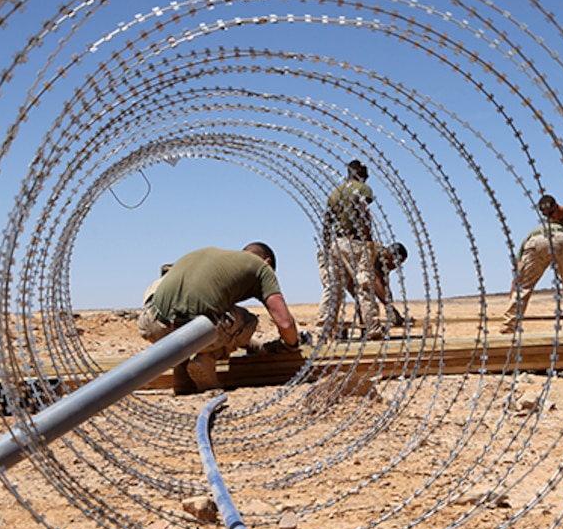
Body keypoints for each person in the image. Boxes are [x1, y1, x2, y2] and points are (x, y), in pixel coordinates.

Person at [137, 242, 298, 394]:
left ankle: (182, 370)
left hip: (152, 325)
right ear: (267, 261)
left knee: (203, 309)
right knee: (247, 321)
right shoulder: (261, 267)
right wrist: (292, 345)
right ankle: (207, 359)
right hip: (197, 333)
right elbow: (285, 323)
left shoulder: (211, 256)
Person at [316, 159, 383, 341]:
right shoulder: (360, 188)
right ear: (358, 171)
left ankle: (324, 329)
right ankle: (373, 328)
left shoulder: (334, 194)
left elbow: (327, 221)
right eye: (365, 173)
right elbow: (363, 212)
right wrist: (368, 239)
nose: (367, 177)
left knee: (334, 288)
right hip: (357, 242)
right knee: (365, 285)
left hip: (336, 244)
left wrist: (328, 245)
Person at [500, 222, 563, 334]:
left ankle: (509, 325)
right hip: (561, 239)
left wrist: (513, 290)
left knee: (524, 288)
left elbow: (518, 274)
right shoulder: (560, 228)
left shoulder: (527, 241)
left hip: (536, 242)